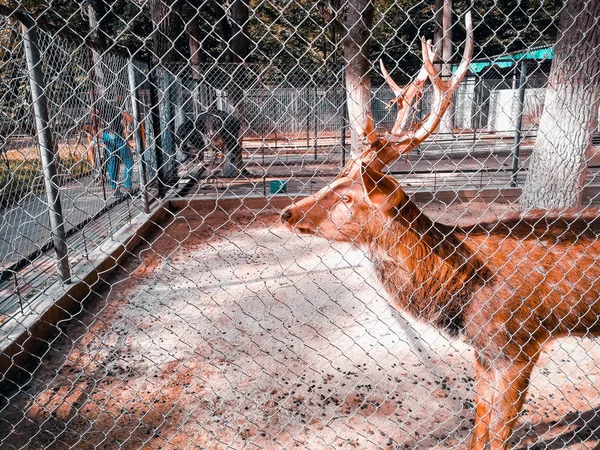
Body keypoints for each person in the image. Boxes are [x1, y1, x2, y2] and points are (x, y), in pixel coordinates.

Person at [93, 100, 135, 195]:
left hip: (106, 135)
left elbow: (93, 117)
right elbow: (130, 119)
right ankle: (128, 187)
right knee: (128, 160)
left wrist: (99, 132)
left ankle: (113, 188)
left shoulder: (100, 105)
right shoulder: (116, 105)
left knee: (113, 161)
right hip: (117, 135)